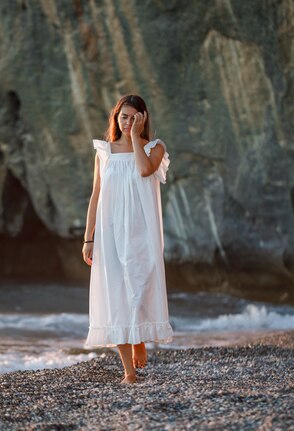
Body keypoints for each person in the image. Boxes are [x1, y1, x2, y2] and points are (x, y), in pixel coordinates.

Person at [82, 94, 173, 384]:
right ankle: (128, 373)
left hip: (141, 231)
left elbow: (145, 169)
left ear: (143, 118)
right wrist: (88, 238)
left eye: (133, 117)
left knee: (140, 284)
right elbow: (96, 195)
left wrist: (135, 136)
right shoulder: (104, 151)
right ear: (115, 117)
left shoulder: (154, 148)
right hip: (110, 232)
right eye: (123, 116)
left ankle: (139, 339)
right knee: (116, 295)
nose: (127, 121)